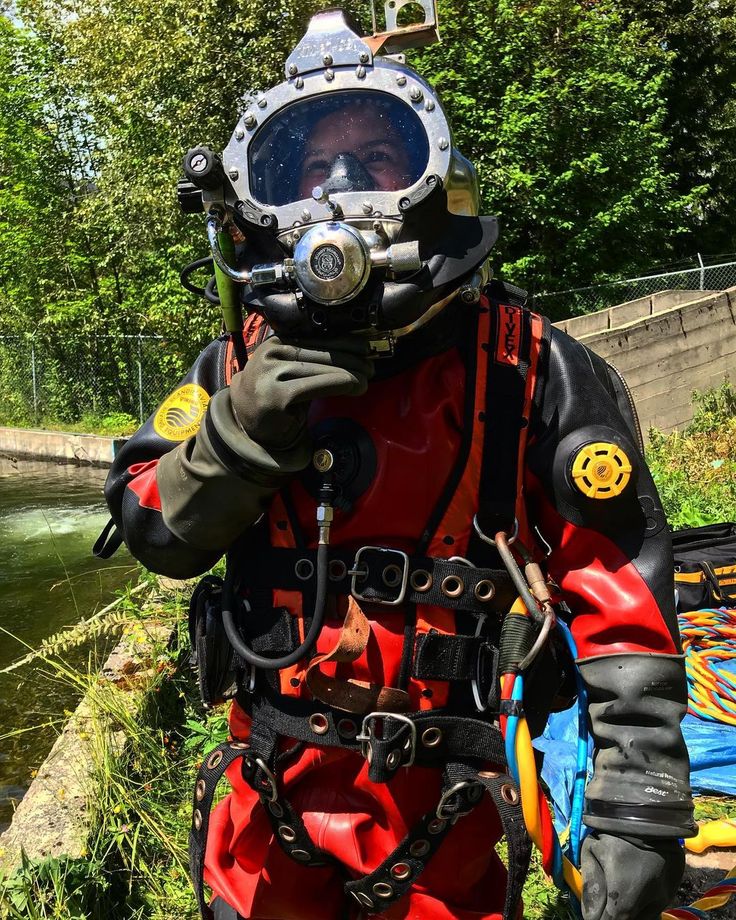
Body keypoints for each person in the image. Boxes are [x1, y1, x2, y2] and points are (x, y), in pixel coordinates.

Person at [99, 8, 695, 920]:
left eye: (377, 160)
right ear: (263, 206)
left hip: (445, 828)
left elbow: (620, 597)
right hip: (265, 831)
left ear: (432, 182)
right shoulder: (236, 365)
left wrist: (637, 808)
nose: (340, 190)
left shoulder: (525, 368)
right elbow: (151, 527)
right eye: (309, 169)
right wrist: (240, 428)